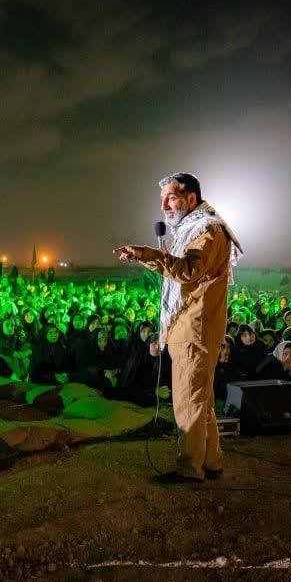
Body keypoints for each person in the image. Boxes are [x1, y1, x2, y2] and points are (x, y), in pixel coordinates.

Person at [115, 172, 241, 483]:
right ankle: (211, 462)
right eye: (163, 200)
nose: (164, 206)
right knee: (202, 401)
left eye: (170, 198)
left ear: (190, 199)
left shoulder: (207, 231)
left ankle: (190, 469)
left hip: (195, 329)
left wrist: (148, 254)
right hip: (193, 327)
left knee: (188, 402)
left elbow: (187, 270)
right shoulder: (196, 229)